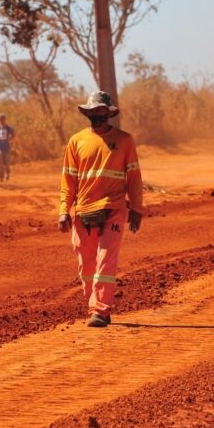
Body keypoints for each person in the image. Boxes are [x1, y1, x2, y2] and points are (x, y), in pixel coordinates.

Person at [58, 91, 145, 328]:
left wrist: (137, 209)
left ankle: (101, 310)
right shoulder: (76, 141)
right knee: (86, 264)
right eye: (94, 111)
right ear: (88, 113)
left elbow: (134, 177)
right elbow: (68, 181)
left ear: (109, 113)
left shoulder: (125, 140)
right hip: (83, 211)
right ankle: (94, 305)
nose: (98, 114)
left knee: (106, 260)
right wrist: (64, 210)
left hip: (114, 208)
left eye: (102, 111)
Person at [0, 113, 16, 182]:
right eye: (1, 119)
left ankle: (7, 173)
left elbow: (14, 134)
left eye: (3, 119)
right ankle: (1, 177)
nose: (2, 121)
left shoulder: (8, 128)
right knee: (0, 162)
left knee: (7, 162)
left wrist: (9, 139)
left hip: (7, 147)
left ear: (5, 119)